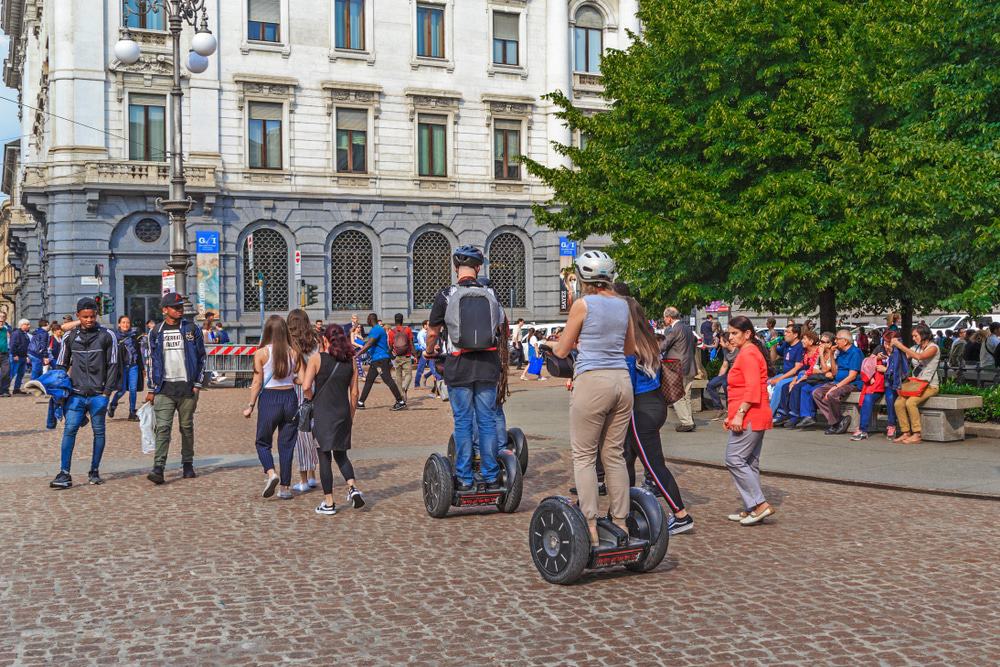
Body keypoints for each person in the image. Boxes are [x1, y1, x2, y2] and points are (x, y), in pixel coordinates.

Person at [550, 250, 635, 545]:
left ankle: (590, 525)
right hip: (622, 382)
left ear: (584, 278)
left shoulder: (583, 304)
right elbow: (629, 348)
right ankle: (621, 523)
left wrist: (554, 344)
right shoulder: (624, 305)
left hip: (593, 380)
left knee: (584, 456)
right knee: (613, 454)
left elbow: (562, 351)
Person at [425, 245, 506, 493]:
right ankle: (492, 476)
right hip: (487, 365)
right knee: (487, 421)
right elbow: (500, 326)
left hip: (458, 366)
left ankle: (465, 478)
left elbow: (432, 332)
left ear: (455, 268)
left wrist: (429, 351)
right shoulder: (491, 292)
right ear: (479, 268)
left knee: (462, 422)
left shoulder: (446, 294)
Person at [623, 297, 694, 535]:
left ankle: (681, 514)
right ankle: (624, 512)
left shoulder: (630, 345)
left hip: (639, 409)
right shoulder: (649, 340)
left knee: (654, 467)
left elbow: (627, 385)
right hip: (655, 403)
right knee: (625, 460)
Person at [49, 298, 120, 489]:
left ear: (96, 315)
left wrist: (106, 394)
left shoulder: (108, 336)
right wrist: (59, 389)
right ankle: (64, 473)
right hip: (76, 394)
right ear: (78, 316)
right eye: (85, 316)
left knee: (99, 432)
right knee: (70, 430)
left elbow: (113, 365)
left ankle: (94, 470)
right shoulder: (69, 337)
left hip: (98, 394)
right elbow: (61, 365)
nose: (89, 320)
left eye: (92, 316)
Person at [302, 324, 367, 515]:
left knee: (324, 456)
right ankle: (353, 487)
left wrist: (310, 398)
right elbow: (354, 393)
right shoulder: (351, 361)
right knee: (341, 454)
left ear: (325, 340)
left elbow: (306, 385)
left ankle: (329, 502)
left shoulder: (316, 359)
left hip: (323, 413)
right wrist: (351, 415)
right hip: (342, 412)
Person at [145, 293, 207, 485]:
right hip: (164, 388)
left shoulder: (191, 329)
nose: (180, 310)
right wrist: (151, 388)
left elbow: (202, 357)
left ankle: (187, 463)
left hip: (187, 388)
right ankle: (158, 468)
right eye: (176, 307)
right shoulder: (156, 331)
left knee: (186, 427)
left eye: (181, 307)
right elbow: (149, 361)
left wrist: (197, 384)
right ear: (165, 310)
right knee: (162, 428)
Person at [722, 316, 775, 525]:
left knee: (734, 459)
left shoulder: (749, 353)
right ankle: (753, 507)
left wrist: (739, 414)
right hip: (753, 414)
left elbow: (752, 389)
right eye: (730, 333)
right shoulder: (749, 352)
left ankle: (760, 505)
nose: (730, 337)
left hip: (751, 415)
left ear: (747, 334)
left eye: (735, 333)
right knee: (749, 462)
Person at [243, 314, 301, 498]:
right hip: (290, 398)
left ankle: (271, 472)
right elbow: (298, 378)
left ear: (266, 331)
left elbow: (257, 382)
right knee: (287, 445)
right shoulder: (293, 352)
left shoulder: (261, 353)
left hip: (270, 399)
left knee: (262, 442)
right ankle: (285, 488)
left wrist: (251, 406)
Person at [890, 324, 941, 445]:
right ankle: (906, 432)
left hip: (930, 385)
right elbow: (904, 357)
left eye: (915, 336)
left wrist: (900, 346)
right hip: (915, 384)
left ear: (923, 335)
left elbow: (919, 357)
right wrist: (892, 350)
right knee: (898, 403)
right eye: (913, 336)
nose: (913, 338)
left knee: (910, 402)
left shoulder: (934, 347)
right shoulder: (915, 347)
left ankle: (917, 434)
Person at [288, 309, 320, 493]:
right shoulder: (314, 341)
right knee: (312, 431)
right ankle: (314, 474)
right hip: (314, 388)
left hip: (297, 390)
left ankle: (303, 479)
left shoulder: (290, 343)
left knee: (300, 434)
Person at [812, 329, 864, 435]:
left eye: (838, 339)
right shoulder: (840, 352)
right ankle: (838, 420)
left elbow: (852, 376)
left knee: (832, 394)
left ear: (845, 341)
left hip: (851, 383)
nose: (836, 341)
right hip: (838, 381)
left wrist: (835, 387)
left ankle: (835, 423)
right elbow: (835, 373)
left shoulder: (855, 352)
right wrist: (831, 355)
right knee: (816, 393)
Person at [356, 313, 406, 411]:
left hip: (380, 359)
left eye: (367, 319)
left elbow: (369, 344)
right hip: (376, 359)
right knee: (369, 381)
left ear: (370, 320)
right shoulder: (376, 329)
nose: (366, 322)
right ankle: (361, 402)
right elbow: (369, 342)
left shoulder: (377, 329)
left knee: (388, 379)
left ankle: (400, 401)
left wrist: (357, 354)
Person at [659, 306, 698, 432]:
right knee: (686, 396)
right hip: (689, 366)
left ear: (669, 318)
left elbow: (663, 346)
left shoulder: (674, 329)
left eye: (665, 318)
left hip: (677, 367)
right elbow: (695, 342)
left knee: (678, 396)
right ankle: (689, 420)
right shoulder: (687, 328)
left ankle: (686, 423)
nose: (664, 320)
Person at [788, 331, 836, 429]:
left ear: (829, 344)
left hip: (829, 381)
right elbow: (815, 369)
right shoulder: (820, 353)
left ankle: (811, 415)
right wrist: (823, 371)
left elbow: (826, 369)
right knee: (805, 388)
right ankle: (807, 416)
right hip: (820, 378)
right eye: (820, 341)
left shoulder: (833, 353)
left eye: (822, 342)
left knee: (812, 390)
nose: (820, 344)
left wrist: (822, 358)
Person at [768, 324, 804, 425]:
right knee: (767, 382)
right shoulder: (786, 345)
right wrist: (773, 346)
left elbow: (797, 368)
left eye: (788, 332)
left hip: (794, 376)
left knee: (779, 385)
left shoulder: (799, 347)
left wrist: (780, 379)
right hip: (784, 374)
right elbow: (773, 358)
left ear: (795, 335)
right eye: (785, 332)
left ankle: (770, 414)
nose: (785, 334)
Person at [109, 315, 143, 421]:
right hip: (121, 367)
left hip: (133, 366)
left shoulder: (134, 336)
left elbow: (138, 352)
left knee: (133, 390)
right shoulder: (115, 337)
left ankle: (132, 412)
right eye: (123, 322)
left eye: (127, 322)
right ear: (119, 324)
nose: (125, 325)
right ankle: (113, 404)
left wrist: (142, 367)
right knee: (122, 390)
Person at [705, 333, 737, 419]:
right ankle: (719, 408)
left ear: (727, 343)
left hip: (737, 375)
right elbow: (725, 365)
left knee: (726, 384)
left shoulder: (738, 350)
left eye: (722, 341)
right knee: (711, 385)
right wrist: (718, 378)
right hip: (729, 374)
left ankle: (729, 410)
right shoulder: (725, 349)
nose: (720, 343)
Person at [388, 313, 415, 401]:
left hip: (397, 357)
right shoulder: (407, 330)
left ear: (395, 320)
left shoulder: (391, 332)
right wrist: (414, 354)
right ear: (402, 320)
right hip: (407, 356)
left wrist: (391, 355)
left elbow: (390, 346)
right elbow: (411, 343)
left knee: (398, 377)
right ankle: (405, 387)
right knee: (409, 375)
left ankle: (401, 398)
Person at [413, 320, 442, 391]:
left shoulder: (428, 332)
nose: (430, 326)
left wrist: (434, 346)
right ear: (425, 325)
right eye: (428, 324)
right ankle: (416, 384)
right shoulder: (421, 333)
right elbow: (422, 344)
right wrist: (431, 347)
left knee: (433, 368)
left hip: (430, 352)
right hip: (424, 353)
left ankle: (440, 380)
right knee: (420, 369)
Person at [9, 318, 31, 394]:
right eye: (27, 324)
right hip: (17, 357)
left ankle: (16, 389)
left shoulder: (25, 334)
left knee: (21, 374)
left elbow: (26, 346)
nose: (29, 326)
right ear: (22, 325)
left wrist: (27, 356)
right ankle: (4, 389)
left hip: (23, 357)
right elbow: (13, 345)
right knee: (12, 373)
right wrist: (14, 354)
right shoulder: (16, 333)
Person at [0, 311, 11, 397]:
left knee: (6, 373)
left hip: (4, 354)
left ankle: (4, 390)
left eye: (3, 317)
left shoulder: (6, 329)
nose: (1, 319)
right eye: (0, 317)